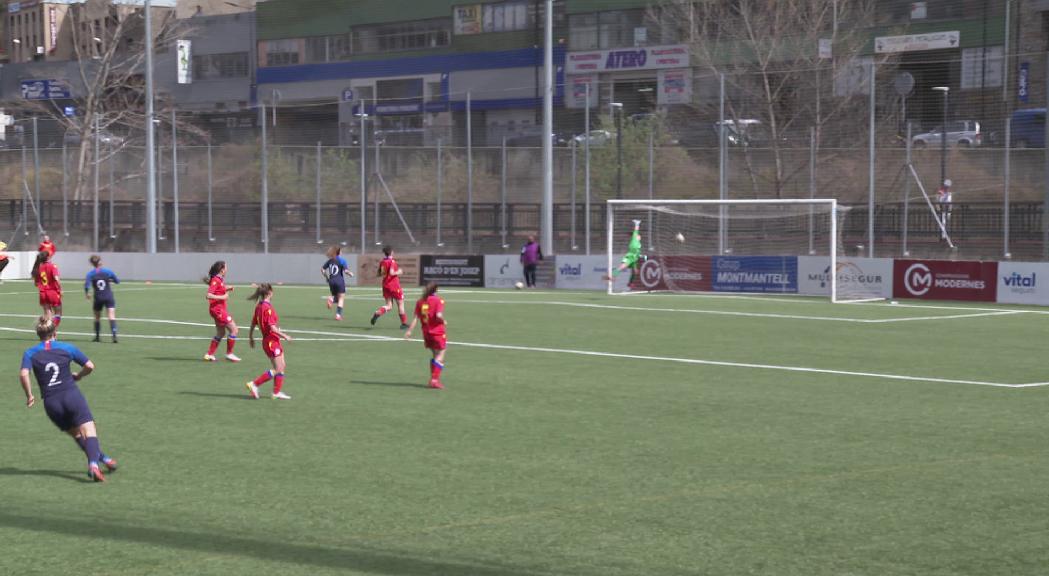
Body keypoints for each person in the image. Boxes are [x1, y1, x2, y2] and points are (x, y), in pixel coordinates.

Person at [19, 315, 118, 482]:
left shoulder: (30, 353)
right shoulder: (67, 348)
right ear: (55, 333)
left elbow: (23, 374)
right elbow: (90, 366)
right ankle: (93, 464)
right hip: (71, 395)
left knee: (78, 436)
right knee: (89, 431)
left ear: (39, 335)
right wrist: (78, 376)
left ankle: (105, 459)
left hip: (51, 403)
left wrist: (29, 395)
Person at [246, 283, 293, 400]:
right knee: (278, 368)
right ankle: (254, 384)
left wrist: (251, 337)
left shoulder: (259, 306)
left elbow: (253, 323)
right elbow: (272, 328)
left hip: (269, 341)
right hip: (272, 341)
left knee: (282, 366)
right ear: (269, 293)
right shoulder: (268, 309)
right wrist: (285, 335)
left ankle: (276, 392)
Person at [404, 282, 447, 390]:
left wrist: (409, 331)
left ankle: (433, 379)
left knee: (435, 354)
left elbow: (415, 318)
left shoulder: (420, 301)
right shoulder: (438, 300)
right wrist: (443, 320)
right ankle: (434, 380)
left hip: (426, 333)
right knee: (441, 354)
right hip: (437, 332)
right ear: (436, 290)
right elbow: (438, 315)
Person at [203, 260, 240, 363]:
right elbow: (208, 295)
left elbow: (219, 288)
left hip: (218, 310)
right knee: (234, 330)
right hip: (218, 310)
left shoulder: (219, 279)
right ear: (222, 269)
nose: (227, 269)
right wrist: (223, 296)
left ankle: (209, 354)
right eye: (226, 268)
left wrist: (227, 288)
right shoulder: (215, 280)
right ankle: (229, 354)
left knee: (221, 332)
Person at [370, 245, 408, 329]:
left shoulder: (383, 262)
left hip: (385, 286)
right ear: (391, 252)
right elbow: (391, 273)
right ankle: (404, 324)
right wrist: (399, 271)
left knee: (389, 305)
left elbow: (380, 274)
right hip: (394, 286)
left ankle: (378, 312)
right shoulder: (392, 261)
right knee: (400, 304)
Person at [84, 255, 120, 343]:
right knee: (111, 316)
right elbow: (117, 281)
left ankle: (97, 336)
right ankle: (114, 336)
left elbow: (86, 286)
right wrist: (109, 280)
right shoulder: (108, 271)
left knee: (97, 317)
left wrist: (87, 294)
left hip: (98, 297)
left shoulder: (90, 274)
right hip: (108, 296)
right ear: (100, 261)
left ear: (92, 263)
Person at [604, 219, 645, 285]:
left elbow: (636, 256)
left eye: (639, 236)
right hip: (630, 256)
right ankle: (611, 275)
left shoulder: (639, 245)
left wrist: (635, 267)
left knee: (632, 271)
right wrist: (637, 224)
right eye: (638, 235)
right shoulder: (634, 239)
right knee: (621, 267)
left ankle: (629, 283)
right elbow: (636, 230)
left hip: (633, 258)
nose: (639, 236)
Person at [321, 245, 354, 320]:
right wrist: (350, 274)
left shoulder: (330, 260)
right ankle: (338, 315)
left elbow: (322, 270)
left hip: (331, 281)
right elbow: (346, 271)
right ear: (338, 252)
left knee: (337, 297)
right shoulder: (342, 260)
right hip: (339, 281)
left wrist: (326, 277)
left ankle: (332, 299)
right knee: (341, 298)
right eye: (341, 251)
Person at [32, 250, 63, 328]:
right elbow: (56, 278)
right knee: (58, 313)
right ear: (48, 257)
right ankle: (53, 331)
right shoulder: (52, 266)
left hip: (43, 293)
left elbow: (36, 283)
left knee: (48, 314)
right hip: (53, 292)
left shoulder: (38, 268)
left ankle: (48, 331)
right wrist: (61, 289)